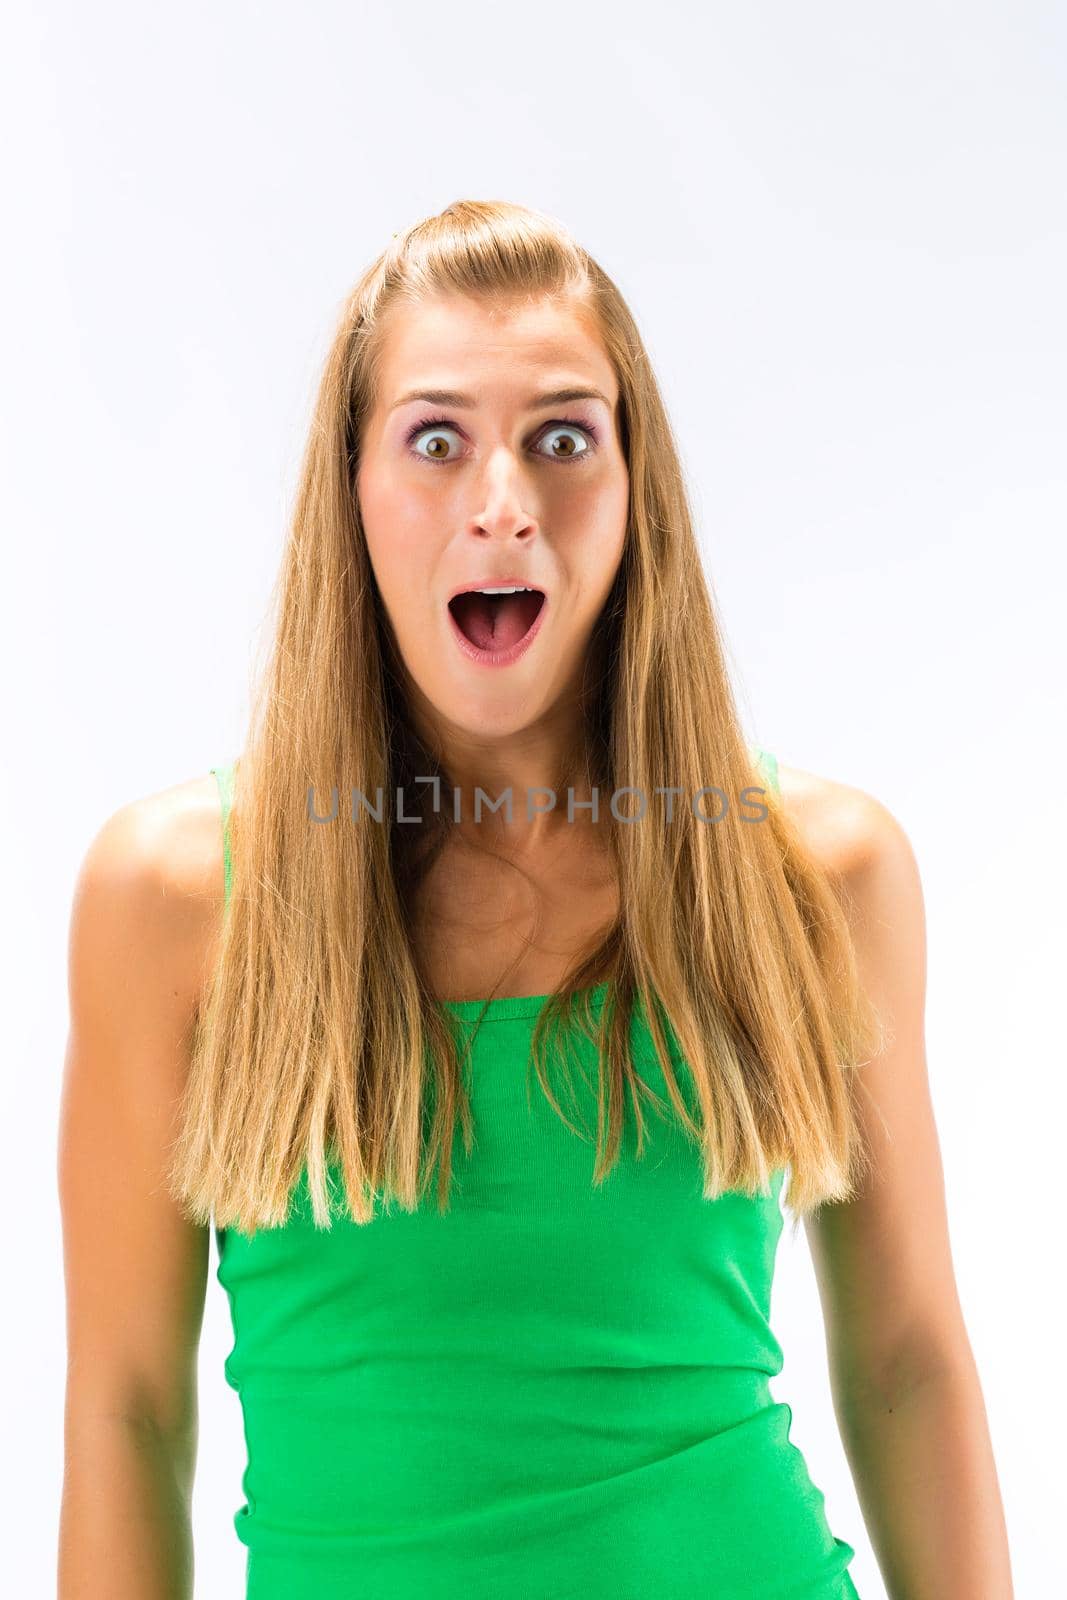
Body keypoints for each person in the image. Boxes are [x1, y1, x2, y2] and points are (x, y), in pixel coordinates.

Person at [57, 200, 1014, 1599]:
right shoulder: (173, 898)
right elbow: (126, 1410)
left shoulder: (819, 875)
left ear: (635, 492)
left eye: (563, 438)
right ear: (353, 492)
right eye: (435, 440)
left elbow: (910, 1360)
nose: (501, 499)